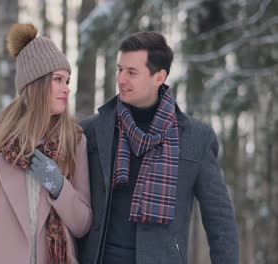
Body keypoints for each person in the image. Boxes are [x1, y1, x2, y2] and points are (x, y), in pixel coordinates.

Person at [78, 31, 239, 264]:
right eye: (119, 69)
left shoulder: (196, 138)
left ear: (158, 77)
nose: (121, 79)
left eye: (132, 72)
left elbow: (220, 221)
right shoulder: (92, 131)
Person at [0, 23, 92, 264]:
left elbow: (83, 224)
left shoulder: (74, 141)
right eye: (58, 80)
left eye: (67, 80)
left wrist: (57, 184)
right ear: (37, 84)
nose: (67, 89)